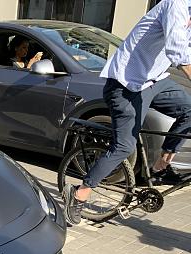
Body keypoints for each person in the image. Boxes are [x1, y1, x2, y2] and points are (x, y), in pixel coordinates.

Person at [63, 0, 191, 226]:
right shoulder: (176, 4)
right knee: (124, 146)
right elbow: (177, 50)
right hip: (126, 85)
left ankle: (162, 164)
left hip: (155, 81)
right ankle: (80, 193)